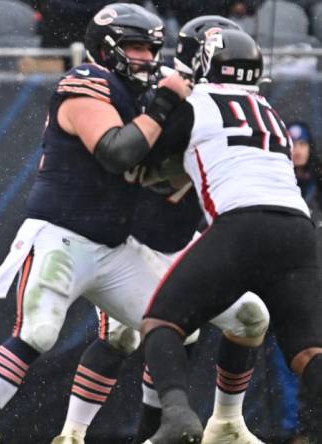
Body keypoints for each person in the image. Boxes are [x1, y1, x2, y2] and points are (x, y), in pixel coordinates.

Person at [0, 4, 220, 442]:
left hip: (115, 245)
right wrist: (168, 100)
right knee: (37, 333)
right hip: (63, 236)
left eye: (152, 49)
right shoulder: (86, 82)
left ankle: (151, 434)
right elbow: (116, 152)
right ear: (106, 47)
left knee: (174, 326)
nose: (147, 59)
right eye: (135, 47)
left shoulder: (138, 95)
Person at [51, 15, 268, 444]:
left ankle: (167, 433)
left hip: (185, 234)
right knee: (121, 335)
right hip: (136, 235)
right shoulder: (166, 92)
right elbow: (129, 155)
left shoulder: (218, 99)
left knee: (197, 328)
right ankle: (72, 434)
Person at [139, 29, 322, 443]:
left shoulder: (194, 105)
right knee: (308, 353)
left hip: (242, 223)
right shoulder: (268, 110)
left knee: (161, 321)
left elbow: (147, 161)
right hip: (297, 227)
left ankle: (178, 416)